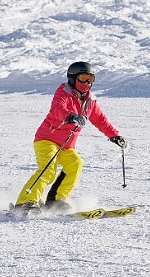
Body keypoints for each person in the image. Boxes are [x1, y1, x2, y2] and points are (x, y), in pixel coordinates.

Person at [12, 61, 126, 215]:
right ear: (73, 78)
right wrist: (71, 116)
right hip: (47, 140)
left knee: (75, 164)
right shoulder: (63, 92)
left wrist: (115, 136)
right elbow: (57, 109)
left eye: (91, 79)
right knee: (49, 169)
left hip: (66, 146)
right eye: (84, 78)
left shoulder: (90, 101)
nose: (87, 83)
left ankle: (56, 200)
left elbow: (100, 119)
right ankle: (25, 202)